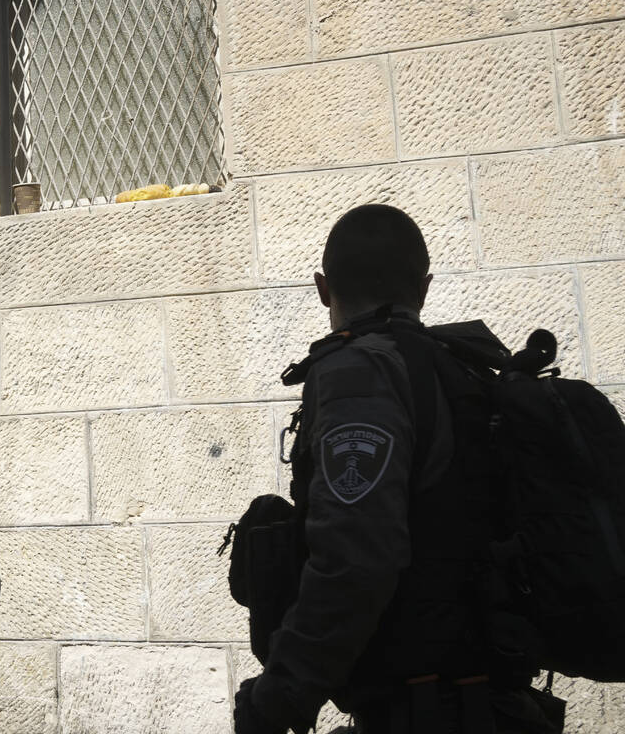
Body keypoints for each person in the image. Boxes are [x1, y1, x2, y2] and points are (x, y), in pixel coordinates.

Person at [233, 206, 560, 734]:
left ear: (322, 288)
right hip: (489, 699)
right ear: (424, 288)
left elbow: (357, 555)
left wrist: (280, 696)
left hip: (428, 710)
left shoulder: (361, 371)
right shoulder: (461, 367)